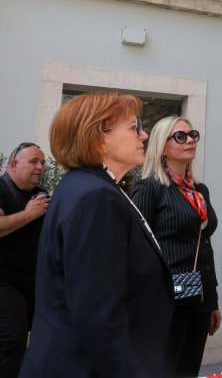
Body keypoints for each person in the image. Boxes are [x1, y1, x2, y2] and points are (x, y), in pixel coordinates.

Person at [20, 92, 174, 378]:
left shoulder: (89, 186)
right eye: (133, 127)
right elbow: (98, 315)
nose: (144, 134)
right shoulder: (95, 196)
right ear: (99, 137)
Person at [132, 116, 221, 377]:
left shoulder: (200, 190)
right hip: (166, 299)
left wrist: (213, 301)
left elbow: (204, 244)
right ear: (162, 146)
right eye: (180, 136)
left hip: (199, 296)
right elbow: (138, 247)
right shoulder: (150, 188)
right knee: (164, 370)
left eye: (192, 134)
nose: (190, 140)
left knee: (188, 370)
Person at [0, 142, 48, 377]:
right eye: (33, 161)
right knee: (13, 337)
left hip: (34, 283)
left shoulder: (39, 195)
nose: (40, 167)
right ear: (13, 165)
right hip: (4, 283)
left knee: (45, 338)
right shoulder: (0, 188)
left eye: (42, 163)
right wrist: (29, 214)